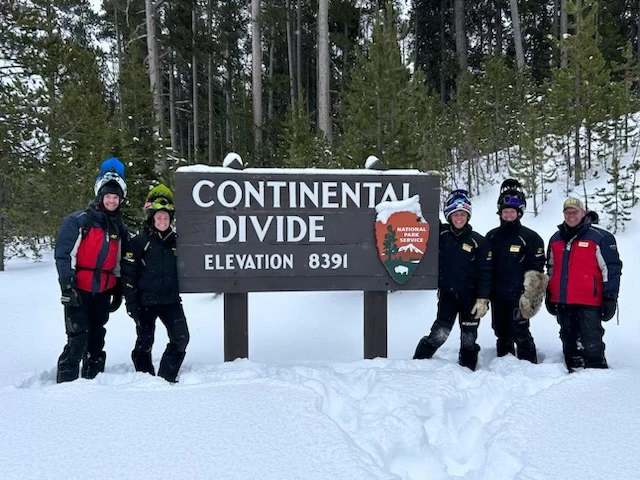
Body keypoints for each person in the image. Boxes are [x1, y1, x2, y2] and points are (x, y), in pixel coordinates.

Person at [54, 159, 128, 383]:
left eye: (115, 197)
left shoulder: (119, 228)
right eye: (108, 196)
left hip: (103, 291)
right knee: (78, 337)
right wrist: (67, 285)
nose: (111, 201)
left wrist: (118, 289)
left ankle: (93, 383)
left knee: (97, 338)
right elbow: (63, 254)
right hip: (79, 288)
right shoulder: (79, 221)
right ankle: (65, 383)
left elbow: (118, 260)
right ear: (99, 195)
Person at [413, 189, 493, 371]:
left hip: (471, 299)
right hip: (448, 296)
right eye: (455, 214)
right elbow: (422, 217)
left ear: (468, 216)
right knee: (439, 334)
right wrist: (427, 186)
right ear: (449, 216)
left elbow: (486, 272)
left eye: (463, 214)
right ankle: (417, 364)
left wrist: (483, 298)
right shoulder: (439, 235)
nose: (459, 218)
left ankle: (468, 371)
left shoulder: (478, 242)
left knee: (469, 338)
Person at [122, 185, 190, 383]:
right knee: (145, 342)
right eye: (158, 217)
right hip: (145, 301)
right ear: (152, 218)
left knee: (181, 338)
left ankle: (165, 378)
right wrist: (131, 302)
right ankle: (145, 378)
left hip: (170, 300)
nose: (162, 221)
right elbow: (128, 274)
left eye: (166, 218)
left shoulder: (177, 242)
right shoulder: (138, 242)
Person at [546, 197, 622, 372]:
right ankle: (571, 377)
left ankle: (596, 376)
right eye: (567, 212)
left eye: (575, 212)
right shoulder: (556, 238)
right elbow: (551, 268)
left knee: (591, 340)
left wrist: (610, 296)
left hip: (590, 300)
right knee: (568, 339)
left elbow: (611, 269)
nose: (571, 216)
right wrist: (550, 294)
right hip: (564, 300)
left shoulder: (600, 237)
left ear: (583, 213)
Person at [485, 179, 547, 364]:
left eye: (512, 211)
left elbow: (537, 270)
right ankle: (503, 366)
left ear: (519, 212)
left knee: (520, 332)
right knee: (501, 332)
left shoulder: (530, 238)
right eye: (505, 212)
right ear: (500, 213)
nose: (509, 215)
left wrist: (530, 298)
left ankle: (529, 367)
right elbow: (485, 267)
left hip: (519, 296)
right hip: (497, 295)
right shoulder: (491, 236)